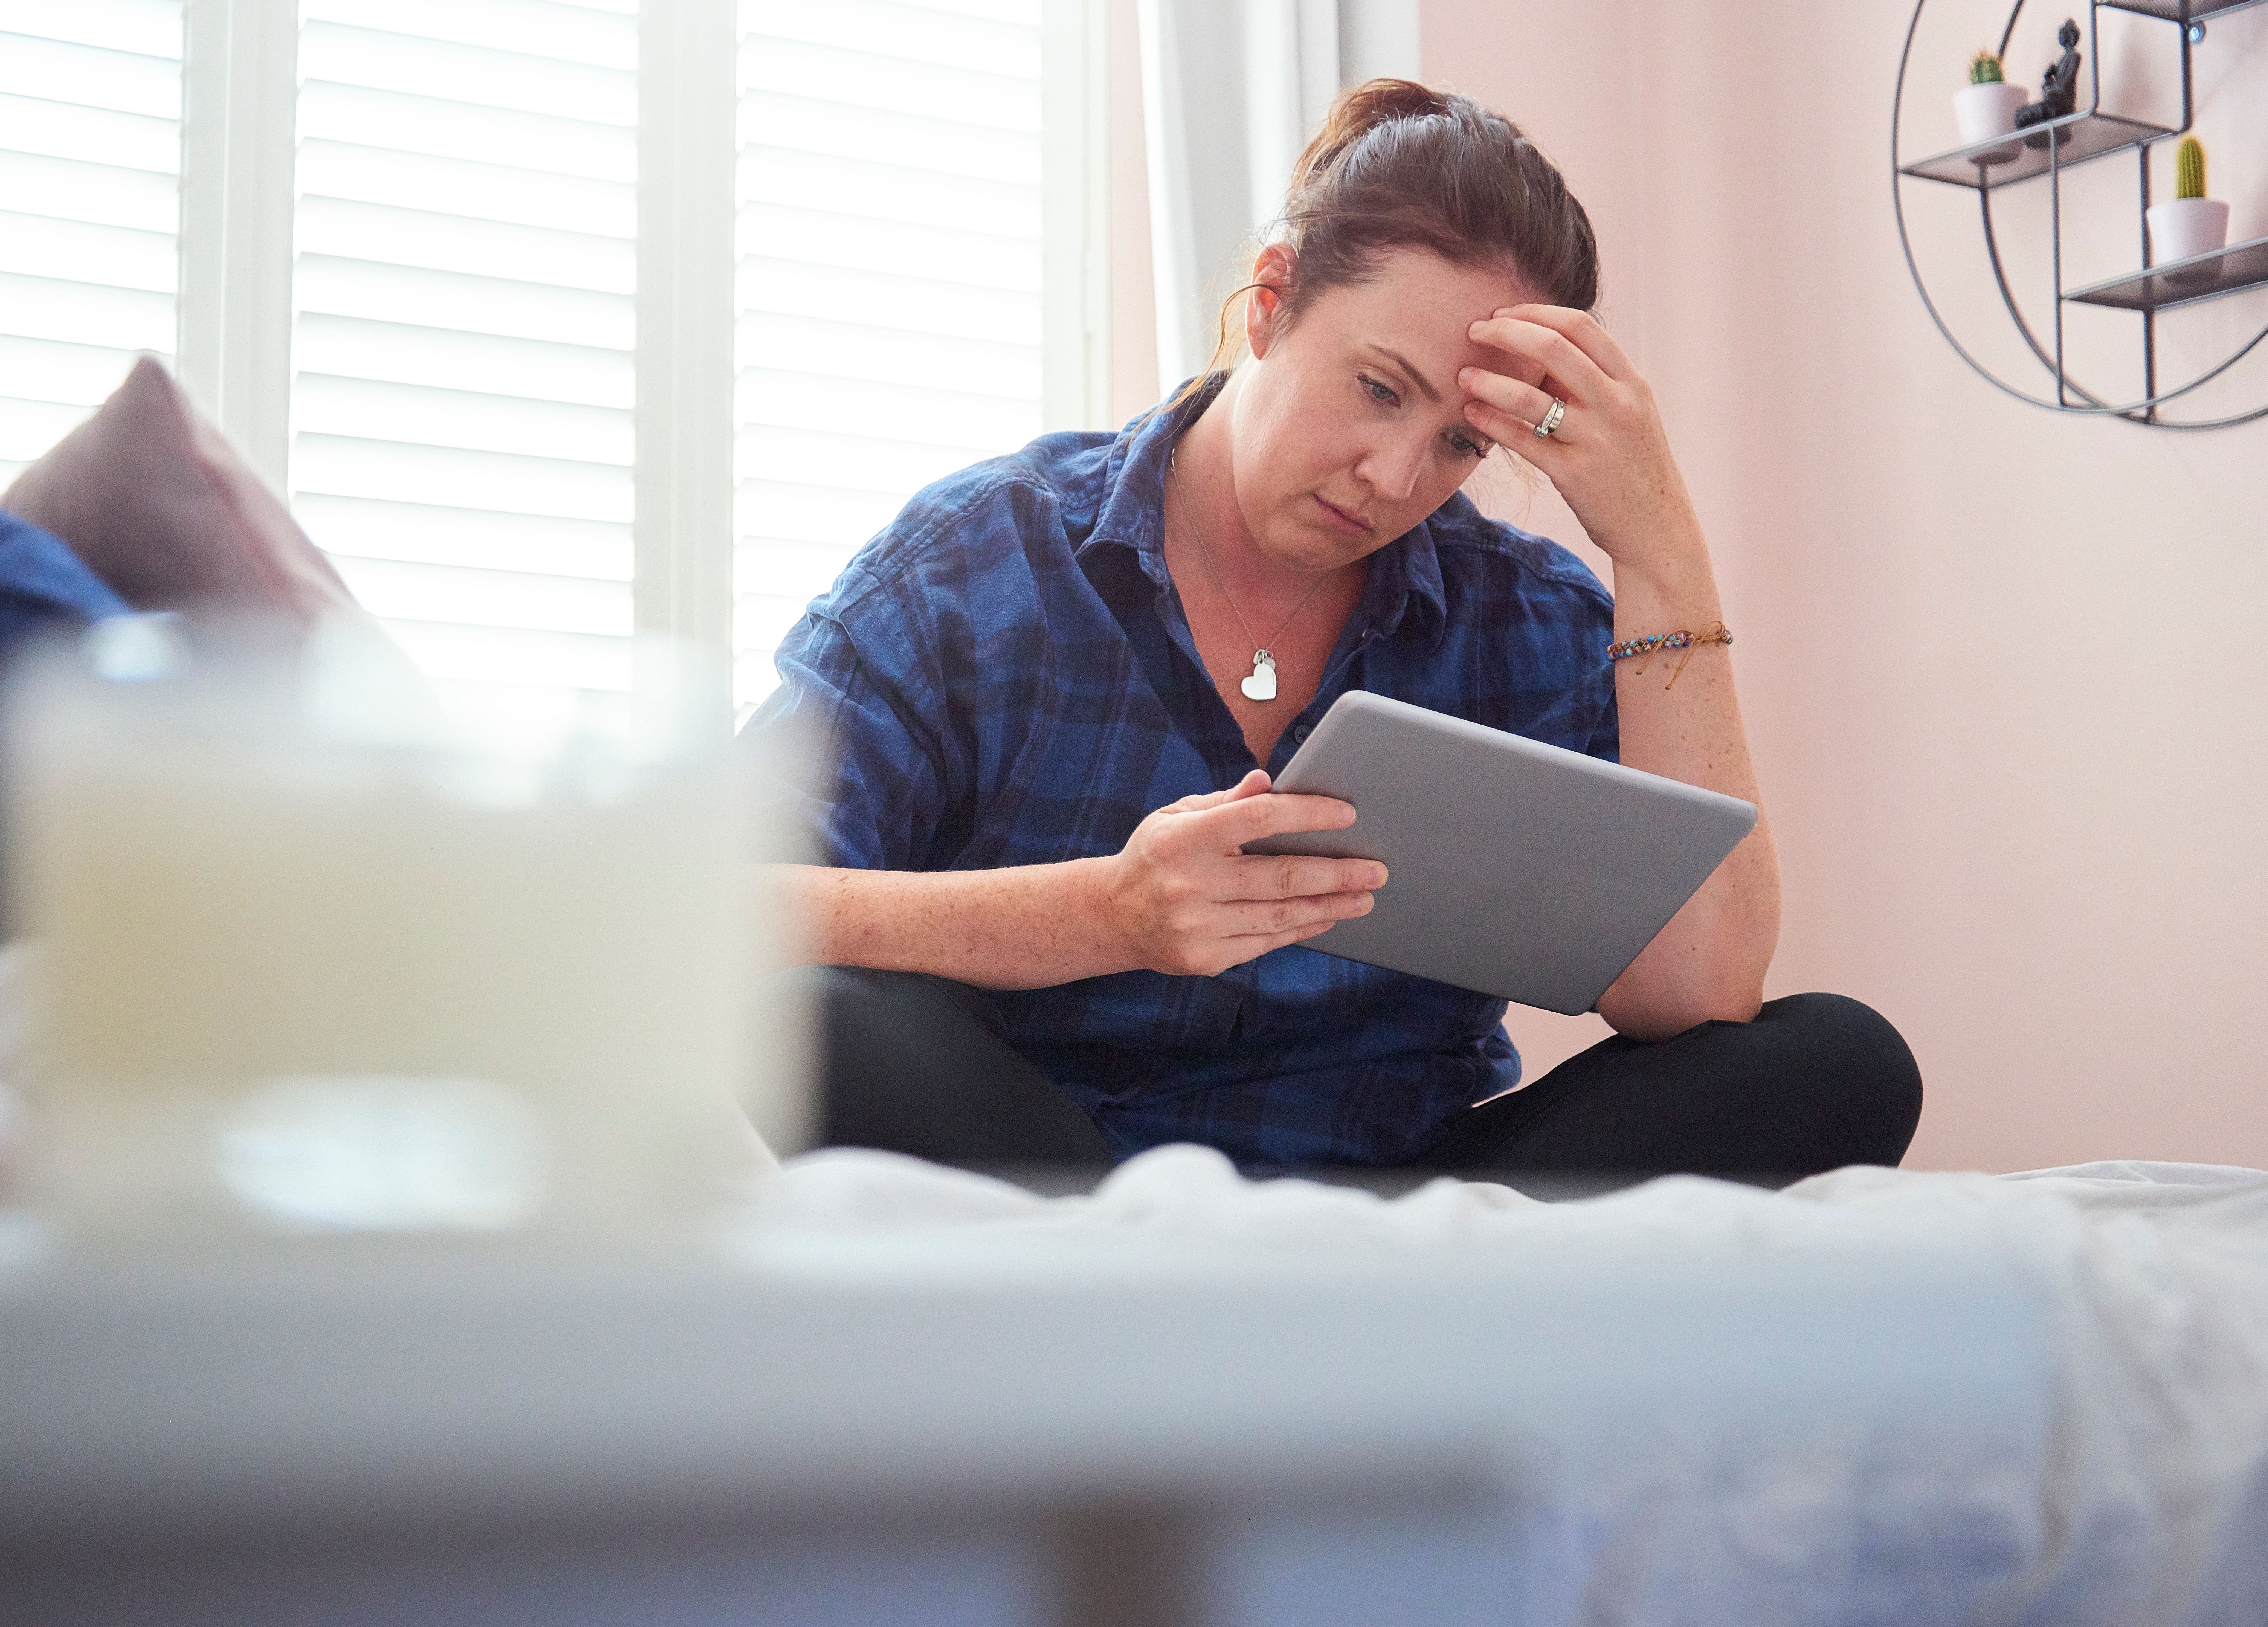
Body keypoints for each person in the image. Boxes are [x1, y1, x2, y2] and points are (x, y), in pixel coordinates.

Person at [746, 80, 1919, 1179]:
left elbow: (1696, 990)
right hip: (1059, 1186)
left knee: (1837, 1061)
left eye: (1462, 445)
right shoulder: (980, 559)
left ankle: (1322, 1338)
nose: (1396, 475)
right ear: (1270, 303)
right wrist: (1100, 913)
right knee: (805, 1015)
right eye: (1377, 388)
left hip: (1397, 1205)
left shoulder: (1529, 621)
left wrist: (1659, 549)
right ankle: (1201, 1332)